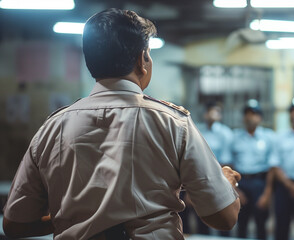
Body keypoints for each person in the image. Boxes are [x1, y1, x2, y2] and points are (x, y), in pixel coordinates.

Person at [2, 8, 241, 239]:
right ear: (142, 60)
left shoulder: (52, 128)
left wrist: (78, 220)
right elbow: (223, 217)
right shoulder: (173, 123)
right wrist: (226, 185)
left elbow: (15, 224)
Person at [258, 97, 294, 240]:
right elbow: (275, 165)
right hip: (283, 188)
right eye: (293, 112)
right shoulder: (280, 137)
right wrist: (290, 185)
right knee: (282, 228)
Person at [180, 102, 233, 236]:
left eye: (215, 111)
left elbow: (225, 162)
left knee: (223, 218)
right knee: (201, 219)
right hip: (199, 179)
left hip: (219, 179)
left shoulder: (225, 133)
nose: (212, 114)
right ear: (204, 113)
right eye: (209, 111)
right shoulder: (197, 130)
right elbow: (192, 159)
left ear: (220, 115)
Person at [231, 99, 276, 240]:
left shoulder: (268, 137)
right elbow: (229, 166)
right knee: (241, 225)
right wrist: (235, 190)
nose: (251, 117)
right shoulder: (235, 138)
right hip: (241, 183)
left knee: (261, 224)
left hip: (259, 184)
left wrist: (267, 193)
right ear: (244, 117)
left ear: (260, 117)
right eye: (248, 113)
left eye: (255, 113)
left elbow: (272, 167)